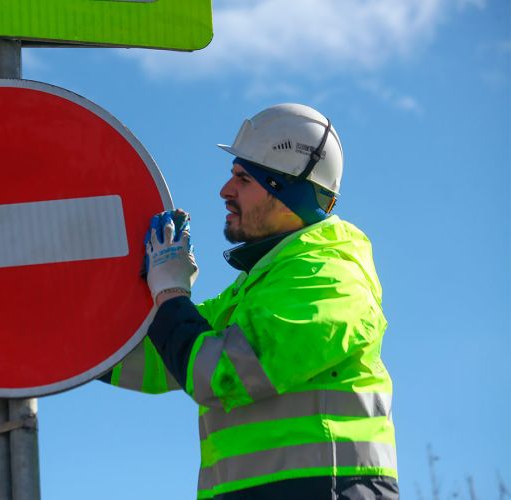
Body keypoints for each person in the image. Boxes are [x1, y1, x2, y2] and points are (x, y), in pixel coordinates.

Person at [101, 103, 399, 499]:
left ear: (284, 189)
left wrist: (170, 293)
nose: (225, 191)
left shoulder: (328, 277)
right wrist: (67, 344)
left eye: (244, 178)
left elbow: (221, 374)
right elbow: (154, 361)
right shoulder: (258, 286)